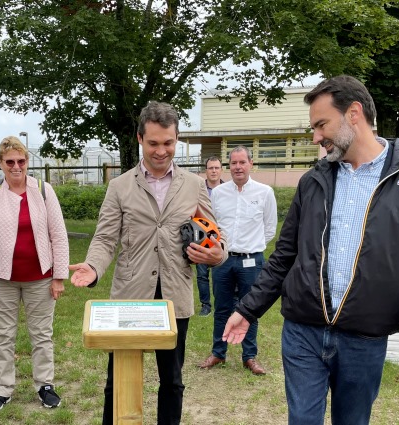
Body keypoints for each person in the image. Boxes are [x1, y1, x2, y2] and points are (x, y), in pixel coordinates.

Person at [222, 75, 399, 425]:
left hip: (365, 336)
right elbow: (285, 255)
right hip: (303, 331)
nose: (316, 137)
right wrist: (247, 309)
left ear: (354, 113)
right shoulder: (314, 180)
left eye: (321, 124)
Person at [69, 101, 227, 425]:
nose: (161, 150)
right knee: (118, 381)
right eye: (153, 143)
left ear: (177, 139)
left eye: (168, 143)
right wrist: (94, 266)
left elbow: (215, 238)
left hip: (174, 299)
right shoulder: (119, 186)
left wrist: (218, 254)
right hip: (129, 296)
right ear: (140, 138)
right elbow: (104, 238)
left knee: (172, 381)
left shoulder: (195, 185)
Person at [0, 136, 70, 412]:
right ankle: (3, 388)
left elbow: (58, 235)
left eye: (21, 161)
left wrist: (59, 275)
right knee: (3, 335)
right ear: (0, 164)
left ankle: (45, 384)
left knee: (42, 334)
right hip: (1, 279)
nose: (16, 166)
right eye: (10, 161)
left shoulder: (44, 190)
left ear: (27, 162)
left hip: (40, 277)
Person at [197, 146, 277, 375]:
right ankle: (218, 353)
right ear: (228, 166)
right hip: (222, 260)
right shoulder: (219, 194)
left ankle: (249, 356)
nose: (238, 167)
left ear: (251, 164)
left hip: (252, 261)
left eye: (242, 162)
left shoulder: (264, 192)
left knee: (249, 308)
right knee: (222, 307)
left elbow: (270, 227)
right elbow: (212, 227)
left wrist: (252, 246)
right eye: (234, 163)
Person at [196, 156, 225, 317]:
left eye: (216, 168)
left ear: (221, 170)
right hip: (201, 237)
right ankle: (205, 305)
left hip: (220, 238)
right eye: (210, 168)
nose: (213, 171)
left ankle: (221, 304)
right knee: (201, 274)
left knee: (220, 274)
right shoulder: (199, 189)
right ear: (205, 171)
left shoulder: (229, 189)